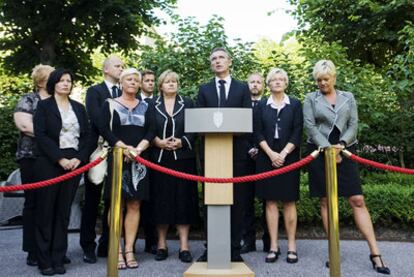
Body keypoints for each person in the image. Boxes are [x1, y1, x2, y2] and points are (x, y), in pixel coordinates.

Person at [303, 60, 390, 274]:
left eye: (326, 79)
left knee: (357, 200)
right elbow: (310, 126)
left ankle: (375, 253)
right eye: (319, 80)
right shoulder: (310, 98)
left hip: (346, 150)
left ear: (334, 77)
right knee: (325, 201)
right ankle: (334, 252)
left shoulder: (348, 97)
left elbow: (353, 125)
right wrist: (327, 149)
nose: (322, 83)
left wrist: (340, 146)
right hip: (319, 151)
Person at [33, 69, 90, 275]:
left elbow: (87, 136)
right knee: (46, 211)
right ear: (53, 84)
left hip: (74, 161)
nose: (66, 84)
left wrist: (78, 158)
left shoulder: (79, 107)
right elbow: (41, 135)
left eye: (69, 80)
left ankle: (58, 258)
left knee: (63, 212)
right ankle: (44, 260)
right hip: (49, 162)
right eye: (62, 80)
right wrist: (60, 158)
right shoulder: (44, 106)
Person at [197, 47, 252, 262]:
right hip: (211, 153)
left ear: (229, 61)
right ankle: (210, 248)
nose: (217, 61)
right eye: (214, 59)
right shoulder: (204, 89)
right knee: (211, 201)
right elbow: (200, 120)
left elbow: (248, 117)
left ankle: (234, 249)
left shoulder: (242, 88)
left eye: (221, 58)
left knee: (236, 202)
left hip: (237, 152)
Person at [100, 68, 154, 270]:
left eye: (135, 80)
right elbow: (104, 129)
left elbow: (151, 130)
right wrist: (122, 147)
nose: (132, 82)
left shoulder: (146, 106)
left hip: (140, 159)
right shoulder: (110, 104)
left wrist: (139, 149)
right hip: (118, 157)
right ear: (121, 83)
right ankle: (116, 250)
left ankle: (130, 249)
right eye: (128, 79)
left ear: (140, 84)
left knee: (134, 204)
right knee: (116, 204)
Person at [254, 68, 303, 263]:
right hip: (267, 156)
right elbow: (257, 132)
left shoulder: (296, 104)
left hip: (289, 157)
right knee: (271, 201)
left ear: (286, 83)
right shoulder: (261, 106)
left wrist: (283, 154)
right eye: (273, 79)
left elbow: (298, 131)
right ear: (268, 83)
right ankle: (273, 246)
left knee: (289, 201)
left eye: (281, 79)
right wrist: (271, 154)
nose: (277, 82)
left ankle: (292, 246)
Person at [150, 70, 198, 263]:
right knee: (161, 201)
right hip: (159, 159)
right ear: (160, 85)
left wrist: (182, 141)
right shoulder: (151, 104)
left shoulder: (188, 103)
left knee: (183, 201)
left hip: (183, 159)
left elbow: (195, 129)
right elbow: (147, 128)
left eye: (175, 81)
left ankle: (184, 246)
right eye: (168, 82)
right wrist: (157, 142)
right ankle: (161, 244)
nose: (172, 84)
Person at [80, 55, 124, 263]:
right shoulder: (94, 91)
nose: (121, 69)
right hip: (97, 150)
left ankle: (107, 244)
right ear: (106, 70)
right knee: (92, 199)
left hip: (119, 151)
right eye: (117, 66)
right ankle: (88, 244)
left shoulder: (126, 92)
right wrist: (116, 140)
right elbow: (97, 119)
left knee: (113, 199)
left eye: (123, 66)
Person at [14, 64, 54, 267]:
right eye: (51, 77)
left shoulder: (60, 102)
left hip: (56, 159)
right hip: (31, 157)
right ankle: (32, 250)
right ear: (40, 81)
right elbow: (24, 125)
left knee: (53, 204)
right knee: (33, 203)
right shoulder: (29, 99)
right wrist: (53, 136)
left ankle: (52, 248)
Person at [240, 72, 265, 254]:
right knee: (245, 201)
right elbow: (239, 130)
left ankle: (269, 241)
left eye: (258, 82)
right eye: (252, 82)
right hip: (245, 156)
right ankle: (248, 240)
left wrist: (262, 149)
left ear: (263, 85)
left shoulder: (268, 104)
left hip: (266, 157)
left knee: (268, 200)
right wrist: (250, 148)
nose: (255, 85)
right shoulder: (242, 105)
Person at [137, 69, 158, 255]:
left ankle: (151, 241)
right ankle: (130, 243)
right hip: (134, 153)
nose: (150, 83)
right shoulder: (133, 101)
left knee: (152, 199)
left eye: (153, 80)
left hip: (155, 156)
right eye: (147, 80)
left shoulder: (158, 102)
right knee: (133, 200)